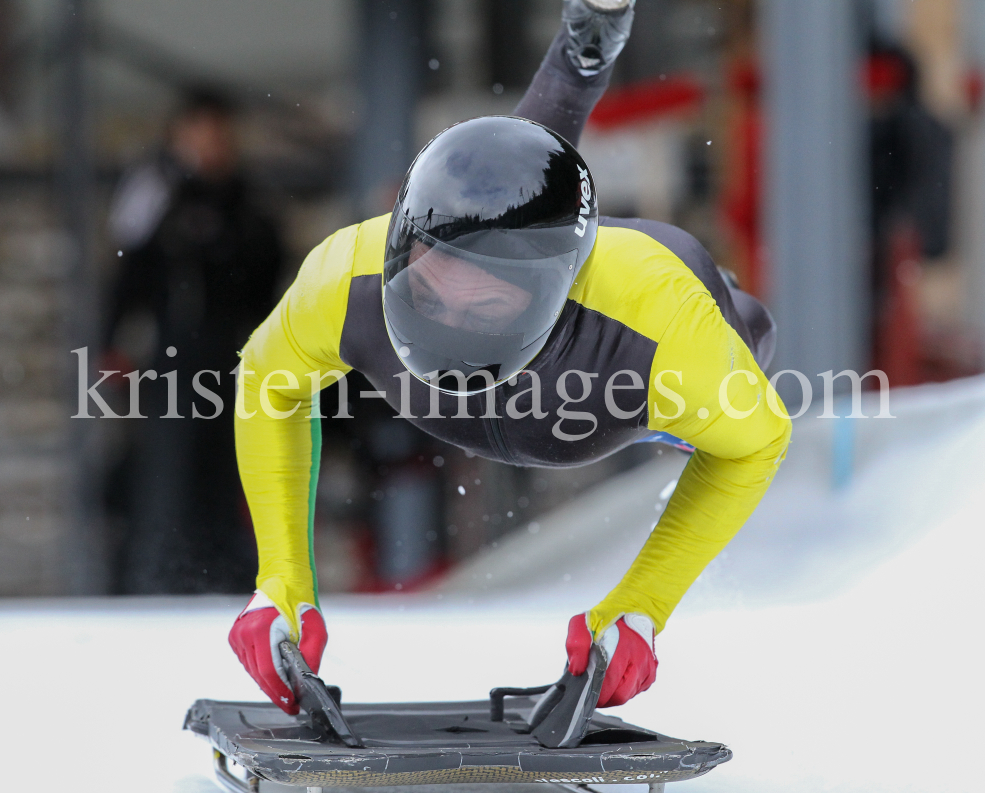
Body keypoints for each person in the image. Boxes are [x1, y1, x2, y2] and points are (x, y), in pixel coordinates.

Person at [229, 0, 790, 714]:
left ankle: (584, 55)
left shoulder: (663, 331)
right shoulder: (347, 275)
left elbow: (758, 441)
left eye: (484, 311)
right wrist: (279, 582)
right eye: (430, 295)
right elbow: (265, 381)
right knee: (509, 179)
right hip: (562, 286)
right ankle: (584, 48)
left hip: (636, 308)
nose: (451, 331)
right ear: (401, 245)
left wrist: (642, 606)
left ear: (549, 299)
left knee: (744, 339)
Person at [105, 89, 284, 593]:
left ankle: (225, 576)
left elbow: (265, 279)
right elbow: (126, 273)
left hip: (235, 356)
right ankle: (162, 576)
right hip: (172, 357)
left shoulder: (247, 200)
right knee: (168, 470)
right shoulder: (155, 192)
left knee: (232, 469)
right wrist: (112, 342)